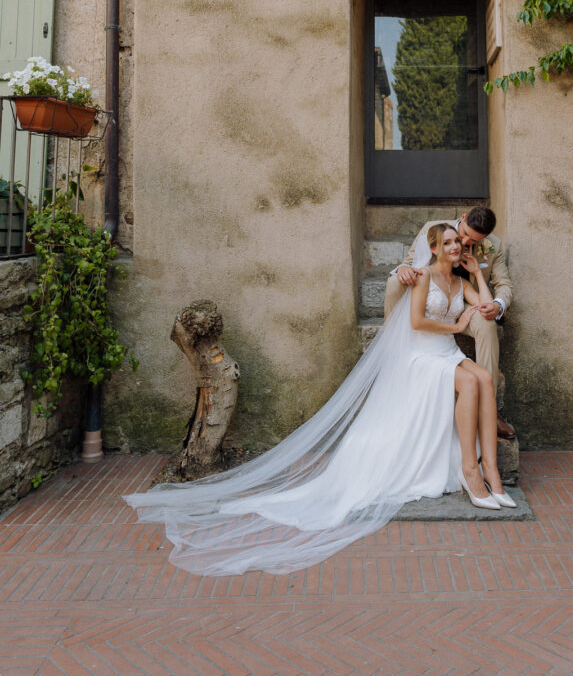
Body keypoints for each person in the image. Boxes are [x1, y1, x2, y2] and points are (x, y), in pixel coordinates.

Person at [125, 223, 515, 577]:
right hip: (420, 357)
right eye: (446, 243)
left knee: (481, 377)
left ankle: (492, 475)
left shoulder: (458, 279)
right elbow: (415, 322)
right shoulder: (425, 276)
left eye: (456, 244)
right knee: (473, 382)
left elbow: (484, 304)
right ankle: (471, 471)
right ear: (432, 248)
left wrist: (477, 273)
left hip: (444, 352)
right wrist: (456, 324)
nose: (453, 247)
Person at [384, 206, 516, 440]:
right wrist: (403, 269)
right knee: (394, 281)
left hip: (465, 302)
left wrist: (496, 305)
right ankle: (392, 348)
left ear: (484, 238)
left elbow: (504, 284)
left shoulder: (493, 245)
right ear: (462, 218)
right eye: (462, 235)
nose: (463, 243)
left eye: (473, 240)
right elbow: (410, 262)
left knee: (488, 325)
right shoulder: (433, 230)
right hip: (433, 300)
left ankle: (490, 410)